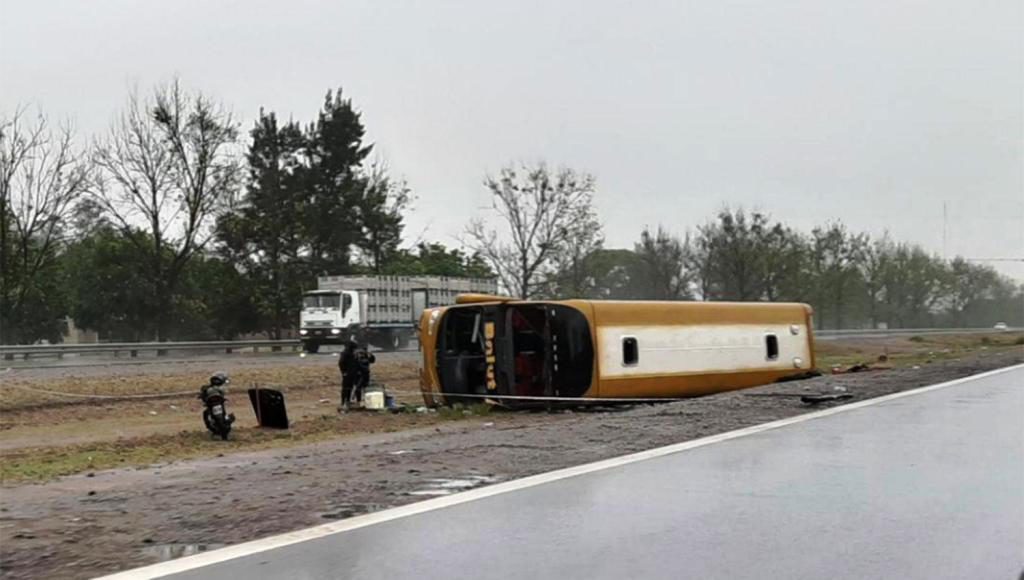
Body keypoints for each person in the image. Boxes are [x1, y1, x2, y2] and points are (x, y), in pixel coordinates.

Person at [338, 340, 358, 412]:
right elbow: (341, 363)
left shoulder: (351, 353)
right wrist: (344, 372)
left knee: (350, 388)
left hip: (351, 373)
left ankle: (348, 401)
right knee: (346, 388)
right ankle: (343, 401)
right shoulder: (346, 353)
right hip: (347, 373)